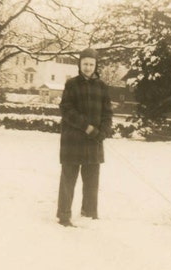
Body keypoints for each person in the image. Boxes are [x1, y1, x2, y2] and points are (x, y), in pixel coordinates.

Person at [56, 48, 113, 227]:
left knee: (92, 179)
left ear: (96, 66)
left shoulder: (102, 86)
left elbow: (107, 112)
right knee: (68, 179)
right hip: (72, 140)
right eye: (85, 64)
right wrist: (86, 127)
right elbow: (66, 109)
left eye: (91, 64)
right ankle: (64, 215)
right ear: (79, 65)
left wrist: (103, 131)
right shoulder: (71, 84)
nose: (88, 67)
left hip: (93, 141)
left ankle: (89, 212)